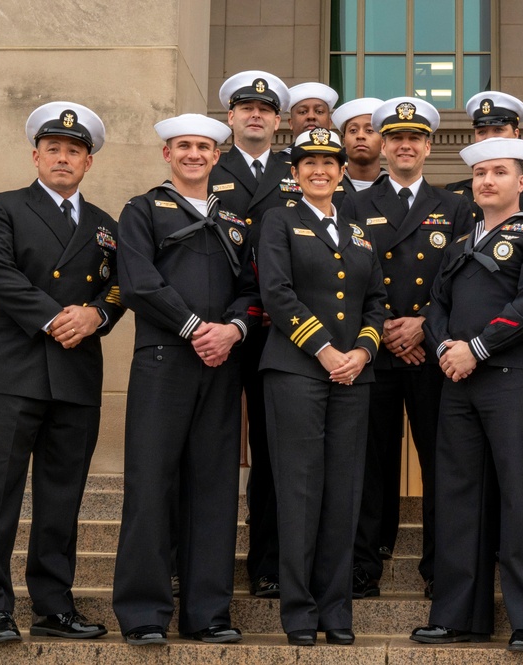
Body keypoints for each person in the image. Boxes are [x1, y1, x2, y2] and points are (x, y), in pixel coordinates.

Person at [0, 101, 123, 643]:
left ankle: (53, 607)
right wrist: (55, 316)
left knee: (62, 501)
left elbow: (121, 287)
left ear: (89, 163)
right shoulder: (4, 207)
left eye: (74, 151)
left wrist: (98, 314)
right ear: (36, 156)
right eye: (54, 148)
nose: (63, 158)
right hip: (12, 372)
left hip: (76, 376)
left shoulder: (106, 225)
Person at [411, 137, 523, 653]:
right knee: (459, 500)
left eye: (499, 172)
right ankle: (458, 615)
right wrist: (446, 350)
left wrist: (475, 347)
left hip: (512, 380)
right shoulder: (459, 246)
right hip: (459, 382)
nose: (486, 181)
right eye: (480, 174)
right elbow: (436, 308)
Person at [112, 114, 260, 645]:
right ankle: (145, 614)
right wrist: (196, 327)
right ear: (166, 154)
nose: (194, 154)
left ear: (217, 156)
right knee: (151, 485)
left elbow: (252, 287)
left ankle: (208, 613)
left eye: (203, 146)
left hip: (221, 364)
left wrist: (235, 329)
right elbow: (138, 283)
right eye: (183, 146)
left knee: (215, 487)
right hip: (164, 362)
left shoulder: (238, 221)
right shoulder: (143, 210)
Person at [257, 127, 386, 646]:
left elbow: (376, 300)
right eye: (309, 162)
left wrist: (362, 350)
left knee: (343, 494)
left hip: (353, 375)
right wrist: (325, 350)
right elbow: (276, 291)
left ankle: (337, 611)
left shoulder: (357, 229)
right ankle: (299, 611)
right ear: (295, 172)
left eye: (329, 163)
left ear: (340, 171)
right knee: (300, 491)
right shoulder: (279, 220)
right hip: (296, 372)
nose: (320, 170)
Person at [341, 97, 474, 601]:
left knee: (443, 463)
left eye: (414, 138)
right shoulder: (351, 203)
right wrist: (387, 332)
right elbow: (348, 280)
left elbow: (459, 279)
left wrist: (423, 326)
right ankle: (363, 563)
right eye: (394, 137)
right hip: (373, 351)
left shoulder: (455, 205)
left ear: (427, 146)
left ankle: (442, 565)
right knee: (368, 463)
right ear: (382, 144)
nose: (404, 145)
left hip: (431, 352)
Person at [209, 69, 291, 599]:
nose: (255, 114)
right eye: (245, 107)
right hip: (214, 329)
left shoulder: (295, 169)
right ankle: (192, 564)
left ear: (279, 121)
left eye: (265, 108)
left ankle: (267, 564)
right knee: (206, 452)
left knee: (272, 452)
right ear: (231, 117)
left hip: (278, 331)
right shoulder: (206, 163)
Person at [444, 91, 523, 214]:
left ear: (516, 134)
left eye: (498, 130)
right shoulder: (453, 191)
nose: (490, 138)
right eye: (482, 132)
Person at [331, 97, 386, 195]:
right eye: (353, 130)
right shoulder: (328, 188)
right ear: (344, 142)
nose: (360, 136)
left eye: (369, 130)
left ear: (383, 143)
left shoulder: (395, 189)